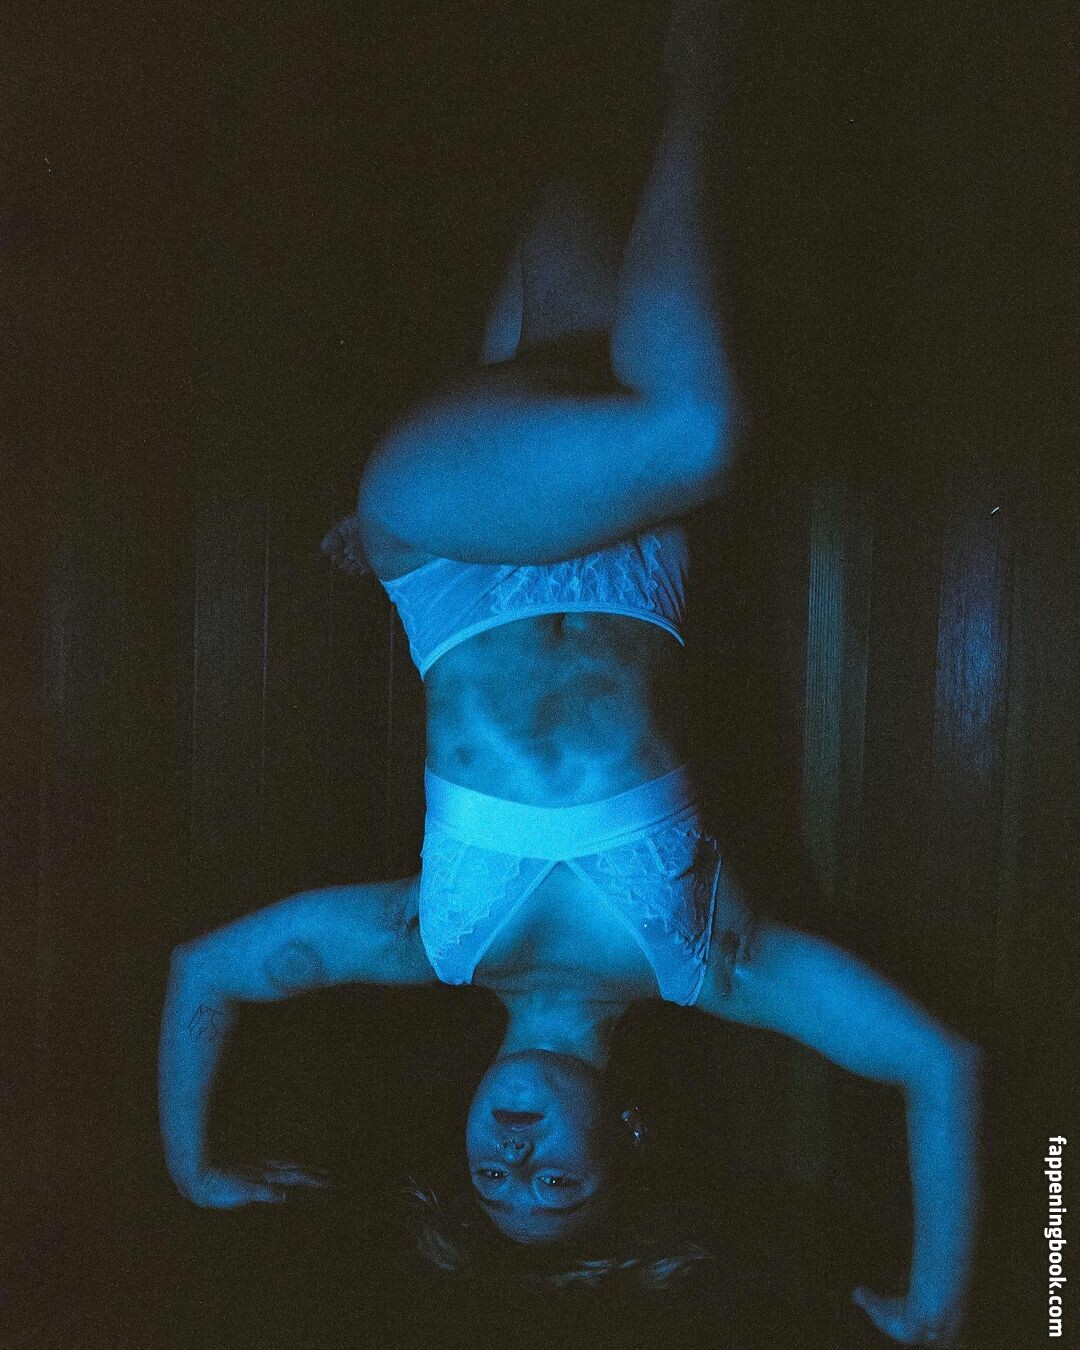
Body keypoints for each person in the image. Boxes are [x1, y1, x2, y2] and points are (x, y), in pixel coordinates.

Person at [160, 3, 980, 1342]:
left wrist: (199, 1172)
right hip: (611, 542)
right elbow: (939, 1064)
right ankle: (625, 63)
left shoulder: (423, 940)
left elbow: (206, 972)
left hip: (444, 538)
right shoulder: (715, 960)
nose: (516, 1162)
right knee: (565, 195)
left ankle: (704, 60)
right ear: (629, 1133)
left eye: (496, 1184)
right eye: (557, 1185)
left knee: (694, 425)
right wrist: (939, 1298)